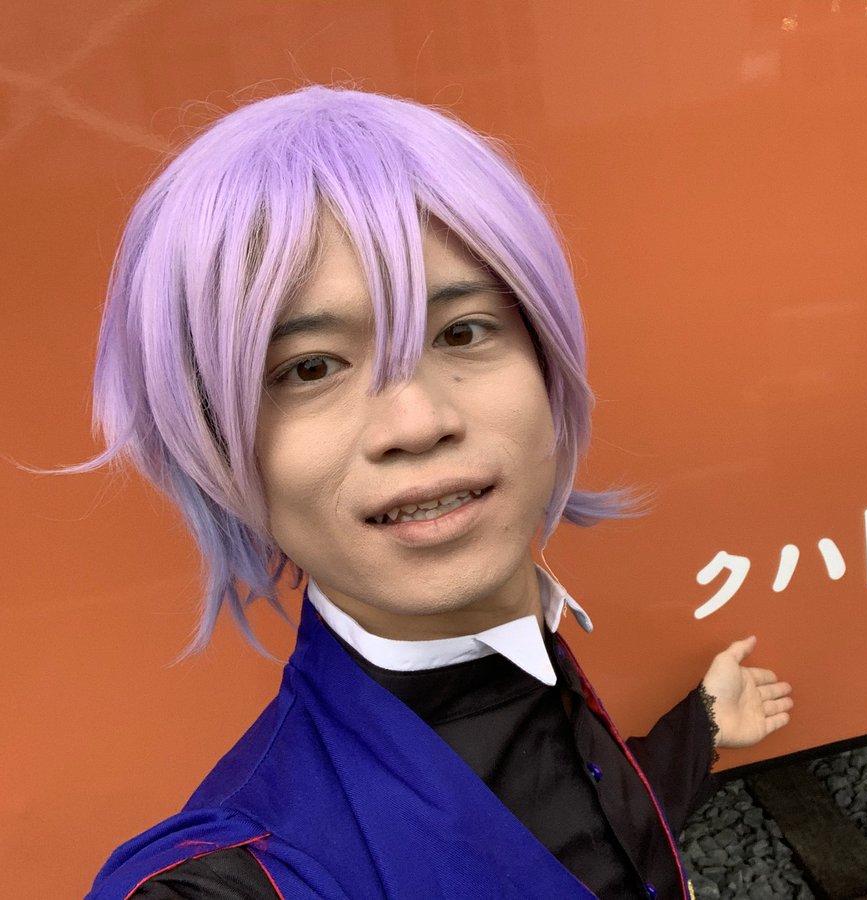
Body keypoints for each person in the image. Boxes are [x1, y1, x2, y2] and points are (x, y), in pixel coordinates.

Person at [84, 86, 793, 900]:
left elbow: (576, 821)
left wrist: (700, 727)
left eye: (462, 331)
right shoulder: (232, 875)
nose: (417, 422)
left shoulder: (518, 641)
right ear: (213, 441)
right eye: (310, 368)